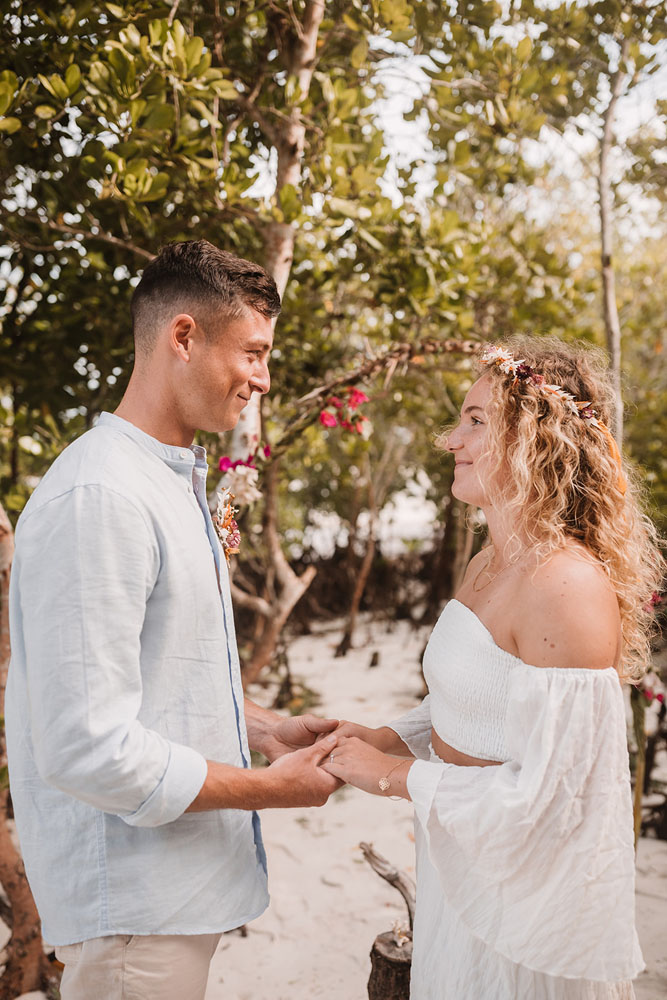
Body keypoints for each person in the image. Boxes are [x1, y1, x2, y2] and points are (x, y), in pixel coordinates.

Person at [6, 239, 340, 1000]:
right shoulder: (102, 495)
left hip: (172, 899)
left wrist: (258, 727)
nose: (261, 378)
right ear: (182, 337)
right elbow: (87, 746)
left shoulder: (164, 482)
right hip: (133, 910)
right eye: (252, 354)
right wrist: (269, 787)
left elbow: (153, 671)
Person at [322, 337, 664, 999]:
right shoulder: (487, 562)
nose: (450, 439)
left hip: (525, 911)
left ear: (539, 436)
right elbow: (472, 702)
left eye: (475, 420)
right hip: (462, 874)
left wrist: (391, 776)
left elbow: (551, 803)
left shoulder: (564, 588)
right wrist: (384, 738)